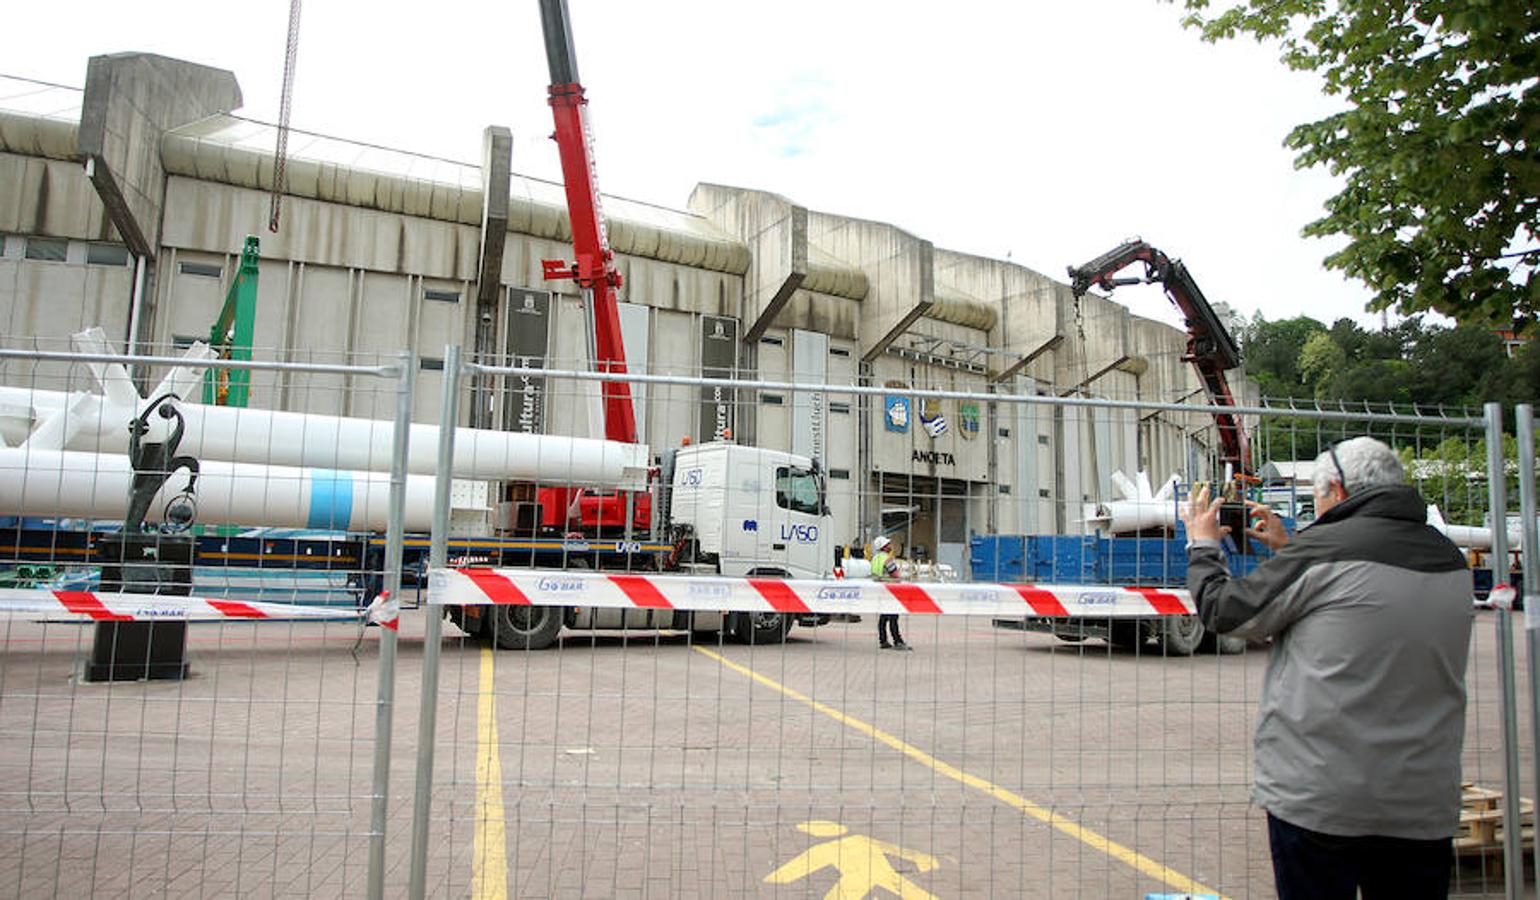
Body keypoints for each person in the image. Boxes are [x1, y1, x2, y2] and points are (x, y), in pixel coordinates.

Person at [1181, 436, 1473, 900]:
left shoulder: (1323, 550)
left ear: (1336, 490)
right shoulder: (1450, 559)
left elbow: (1225, 612)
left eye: (1316, 497)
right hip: (1422, 800)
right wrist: (1290, 548)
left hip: (1323, 799)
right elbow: (1357, 609)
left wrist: (1202, 546)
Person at [869, 535, 912, 651]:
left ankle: (883, 640)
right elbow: (895, 574)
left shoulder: (875, 558)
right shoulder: (887, 559)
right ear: (884, 547)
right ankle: (897, 641)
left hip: (879, 590)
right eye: (888, 544)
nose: (890, 546)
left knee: (883, 617)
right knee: (893, 616)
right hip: (890, 591)